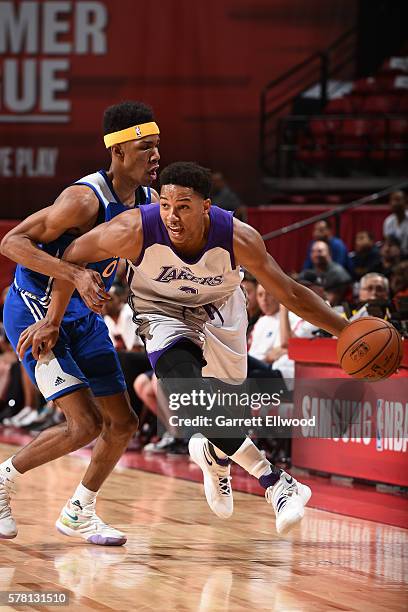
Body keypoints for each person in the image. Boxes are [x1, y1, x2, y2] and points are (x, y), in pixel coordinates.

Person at [18, 162, 348, 536]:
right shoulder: (134, 229)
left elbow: (289, 292)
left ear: (207, 206)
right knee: (188, 395)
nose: (172, 216)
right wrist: (53, 319)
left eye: (184, 207)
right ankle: (276, 482)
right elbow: (73, 255)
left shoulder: (238, 238)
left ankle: (212, 456)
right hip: (162, 313)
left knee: (220, 414)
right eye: (166, 206)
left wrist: (346, 330)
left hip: (221, 311)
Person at [0, 100, 160, 544]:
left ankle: (79, 512)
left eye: (158, 147)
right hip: (36, 307)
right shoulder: (81, 199)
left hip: (83, 315)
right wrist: (72, 275)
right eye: (146, 147)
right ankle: (2, 483)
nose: (155, 157)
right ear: (118, 153)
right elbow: (11, 242)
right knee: (84, 424)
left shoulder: (148, 202)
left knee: (123, 423)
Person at [383, 190, 408, 255]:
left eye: (398, 200)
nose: (394, 203)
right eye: (392, 200)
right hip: (397, 257)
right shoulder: (388, 221)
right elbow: (388, 243)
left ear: (406, 202)